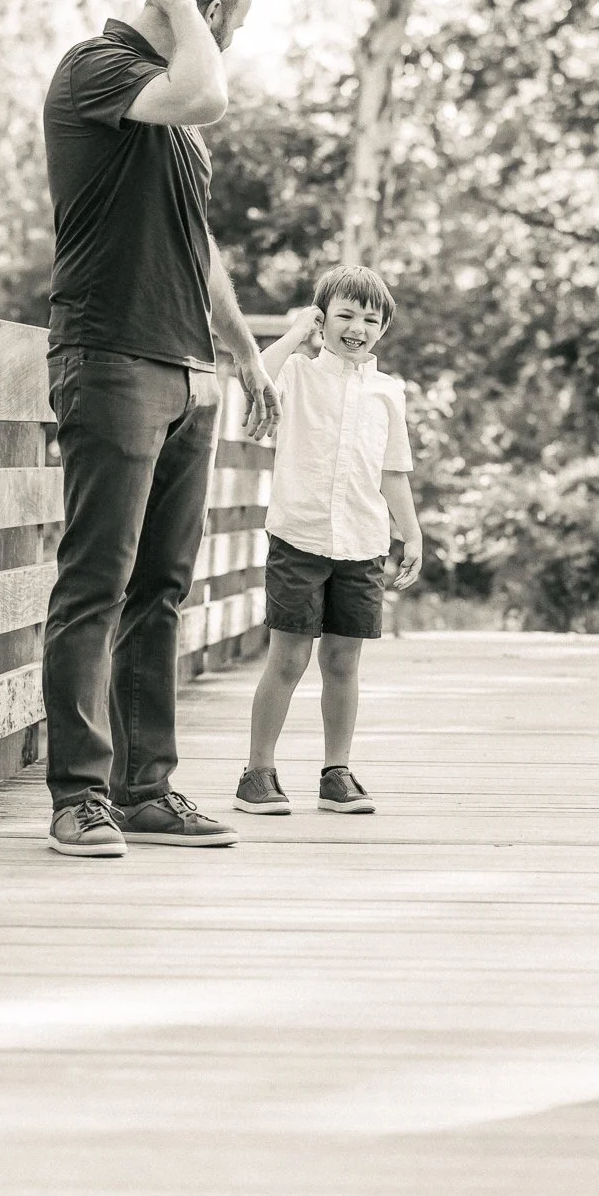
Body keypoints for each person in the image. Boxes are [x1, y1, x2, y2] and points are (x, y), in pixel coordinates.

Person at [40, 0, 279, 858]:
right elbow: (208, 93)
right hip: (110, 357)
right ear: (210, 19)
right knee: (96, 580)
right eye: (236, 28)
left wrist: (245, 353)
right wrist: (182, 2)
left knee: (162, 590)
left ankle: (146, 790)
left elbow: (198, 243)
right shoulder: (98, 68)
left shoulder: (169, 110)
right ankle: (78, 796)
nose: (233, 47)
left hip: (185, 369)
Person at [233, 266, 422, 816]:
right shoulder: (296, 372)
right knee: (288, 660)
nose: (357, 327)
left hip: (363, 544)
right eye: (343, 315)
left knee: (342, 662)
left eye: (370, 318)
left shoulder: (389, 392)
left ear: (383, 327)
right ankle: (257, 772)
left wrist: (409, 532)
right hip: (301, 537)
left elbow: (393, 471)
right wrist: (295, 332)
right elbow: (254, 376)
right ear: (323, 320)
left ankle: (335, 771)